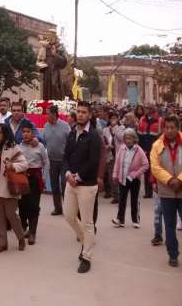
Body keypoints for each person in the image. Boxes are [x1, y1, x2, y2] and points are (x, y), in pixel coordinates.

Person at [150, 115, 182, 277]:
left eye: (173, 127)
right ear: (163, 128)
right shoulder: (157, 145)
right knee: (169, 225)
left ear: (178, 128)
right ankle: (173, 254)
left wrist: (181, 180)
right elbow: (155, 167)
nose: (170, 130)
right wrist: (170, 180)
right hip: (167, 192)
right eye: (167, 127)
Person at [63, 101, 103, 274]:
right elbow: (65, 156)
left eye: (84, 112)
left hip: (86, 185)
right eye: (78, 111)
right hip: (70, 181)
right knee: (69, 216)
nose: (80, 114)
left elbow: (93, 161)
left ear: (90, 115)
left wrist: (78, 176)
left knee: (88, 223)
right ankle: (86, 240)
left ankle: (86, 257)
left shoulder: (94, 136)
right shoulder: (72, 132)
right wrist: (67, 174)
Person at [0, 123, 28, 253]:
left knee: (11, 215)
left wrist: (13, 166)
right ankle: (2, 243)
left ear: (5, 134)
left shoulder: (13, 147)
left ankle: (21, 237)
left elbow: (25, 164)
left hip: (9, 186)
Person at [18, 123, 49, 245]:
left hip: (35, 179)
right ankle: (24, 227)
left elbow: (46, 163)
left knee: (34, 206)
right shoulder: (19, 146)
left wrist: (44, 177)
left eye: (28, 132)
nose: (25, 134)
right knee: (22, 205)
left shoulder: (39, 146)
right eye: (24, 131)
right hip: (22, 179)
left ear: (33, 133)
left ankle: (32, 232)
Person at [111, 129, 149, 228]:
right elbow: (117, 162)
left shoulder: (139, 150)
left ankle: (135, 220)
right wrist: (115, 174)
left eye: (130, 138)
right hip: (122, 178)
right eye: (126, 138)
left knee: (134, 200)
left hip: (134, 179)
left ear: (134, 139)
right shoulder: (122, 148)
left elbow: (145, 165)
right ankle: (120, 219)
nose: (128, 140)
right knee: (122, 199)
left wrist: (135, 174)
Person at [42, 105, 71, 214]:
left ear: (54, 114)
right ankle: (58, 208)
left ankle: (68, 209)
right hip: (52, 160)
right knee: (54, 185)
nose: (46, 115)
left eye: (48, 113)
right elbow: (44, 142)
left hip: (64, 160)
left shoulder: (65, 126)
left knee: (64, 184)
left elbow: (70, 141)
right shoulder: (46, 126)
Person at [138, 105, 163, 198]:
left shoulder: (160, 120)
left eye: (151, 108)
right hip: (145, 149)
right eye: (147, 108)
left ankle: (158, 188)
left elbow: (162, 136)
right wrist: (141, 149)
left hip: (156, 149)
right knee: (147, 170)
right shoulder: (142, 120)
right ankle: (148, 192)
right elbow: (140, 136)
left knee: (156, 169)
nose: (149, 110)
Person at [102, 111, 125, 203]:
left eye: (115, 118)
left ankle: (120, 195)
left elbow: (122, 138)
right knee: (112, 176)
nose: (113, 120)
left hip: (119, 154)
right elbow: (103, 141)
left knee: (119, 176)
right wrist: (107, 146)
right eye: (111, 118)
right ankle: (115, 195)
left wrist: (115, 128)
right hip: (110, 155)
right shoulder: (105, 130)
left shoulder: (121, 128)